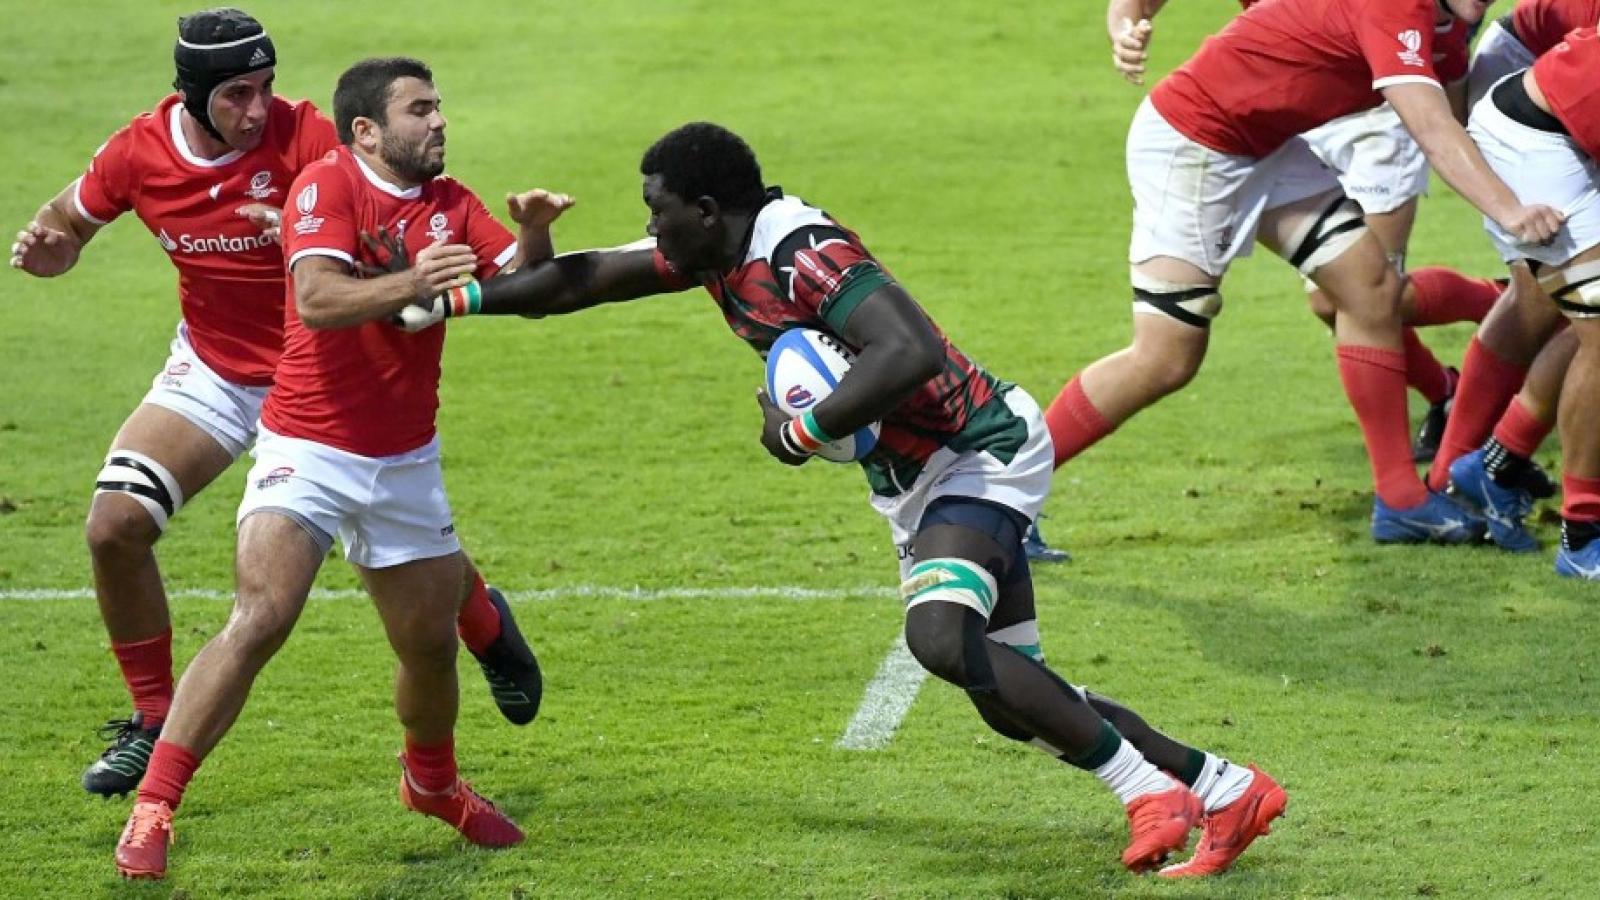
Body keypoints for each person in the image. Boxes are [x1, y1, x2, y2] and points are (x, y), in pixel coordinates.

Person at [392, 121, 1288, 878]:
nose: (649, 228)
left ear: (706, 210)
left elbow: (908, 352)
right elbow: (580, 281)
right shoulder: (708, 248)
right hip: (917, 478)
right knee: (1008, 696)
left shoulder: (798, 250)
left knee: (938, 639)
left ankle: (1144, 791)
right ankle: (1224, 788)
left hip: (980, 452)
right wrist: (458, 301)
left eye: (656, 210)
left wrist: (804, 430)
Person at [7, 8, 541, 800]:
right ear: (190, 95)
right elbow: (64, 220)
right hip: (218, 371)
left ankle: (483, 625)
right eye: (235, 95)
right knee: (114, 527)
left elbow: (387, 202)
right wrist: (52, 247)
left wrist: (303, 220)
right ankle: (153, 719)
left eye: (265, 87)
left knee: (400, 529)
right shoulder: (137, 153)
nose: (259, 110)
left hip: (327, 375)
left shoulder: (312, 139)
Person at [111, 56, 555, 879]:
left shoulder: (451, 204)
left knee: (426, 648)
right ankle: (155, 807)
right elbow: (317, 299)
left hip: (404, 461)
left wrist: (531, 230)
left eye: (438, 107)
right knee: (261, 616)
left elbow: (522, 285)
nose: (438, 121)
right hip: (307, 449)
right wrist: (413, 284)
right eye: (419, 110)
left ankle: (433, 785)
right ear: (367, 130)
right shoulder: (327, 186)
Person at [1041, 0, 1567, 545]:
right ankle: (1002, 492)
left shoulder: (1447, 25)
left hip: (1267, 143)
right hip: (1196, 140)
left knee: (1371, 289)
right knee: (1164, 358)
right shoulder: (1395, 7)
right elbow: (1433, 128)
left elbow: (1459, 123)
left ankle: (1399, 498)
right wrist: (1511, 211)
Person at [1106, 0, 1503, 464]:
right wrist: (1126, 29)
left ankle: (1509, 326)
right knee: (1350, 298)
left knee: (1361, 292)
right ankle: (1486, 343)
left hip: (1388, 100)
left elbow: (1442, 91)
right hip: (1286, 103)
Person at [1453, 27, 1600, 577]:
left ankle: (1497, 463)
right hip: (1534, 140)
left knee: (1584, 320)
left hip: (1560, 123)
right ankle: (1582, 535)